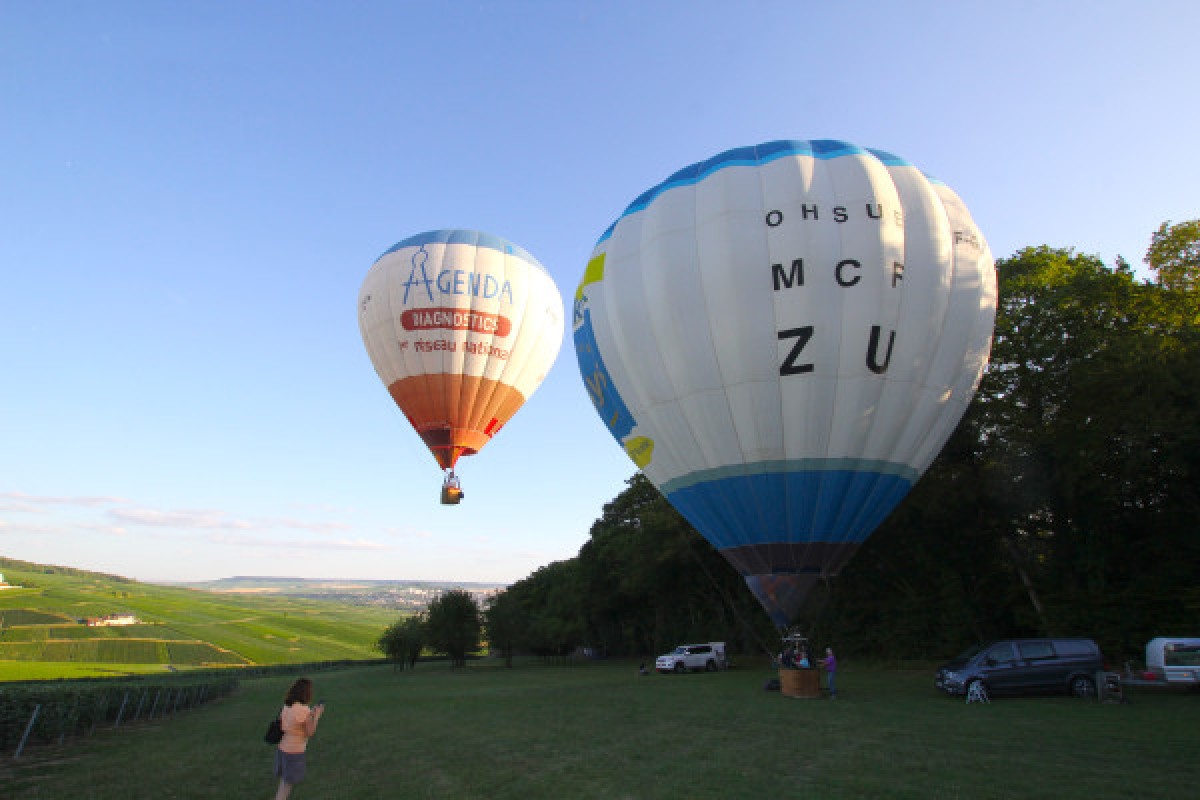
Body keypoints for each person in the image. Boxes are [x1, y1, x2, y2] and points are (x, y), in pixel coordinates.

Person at [273, 677, 325, 799]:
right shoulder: (303, 710)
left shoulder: (287, 705)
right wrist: (316, 717)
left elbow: (292, 722)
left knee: (283, 783)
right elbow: (310, 732)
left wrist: (310, 714)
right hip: (294, 752)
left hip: (282, 749)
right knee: (286, 787)